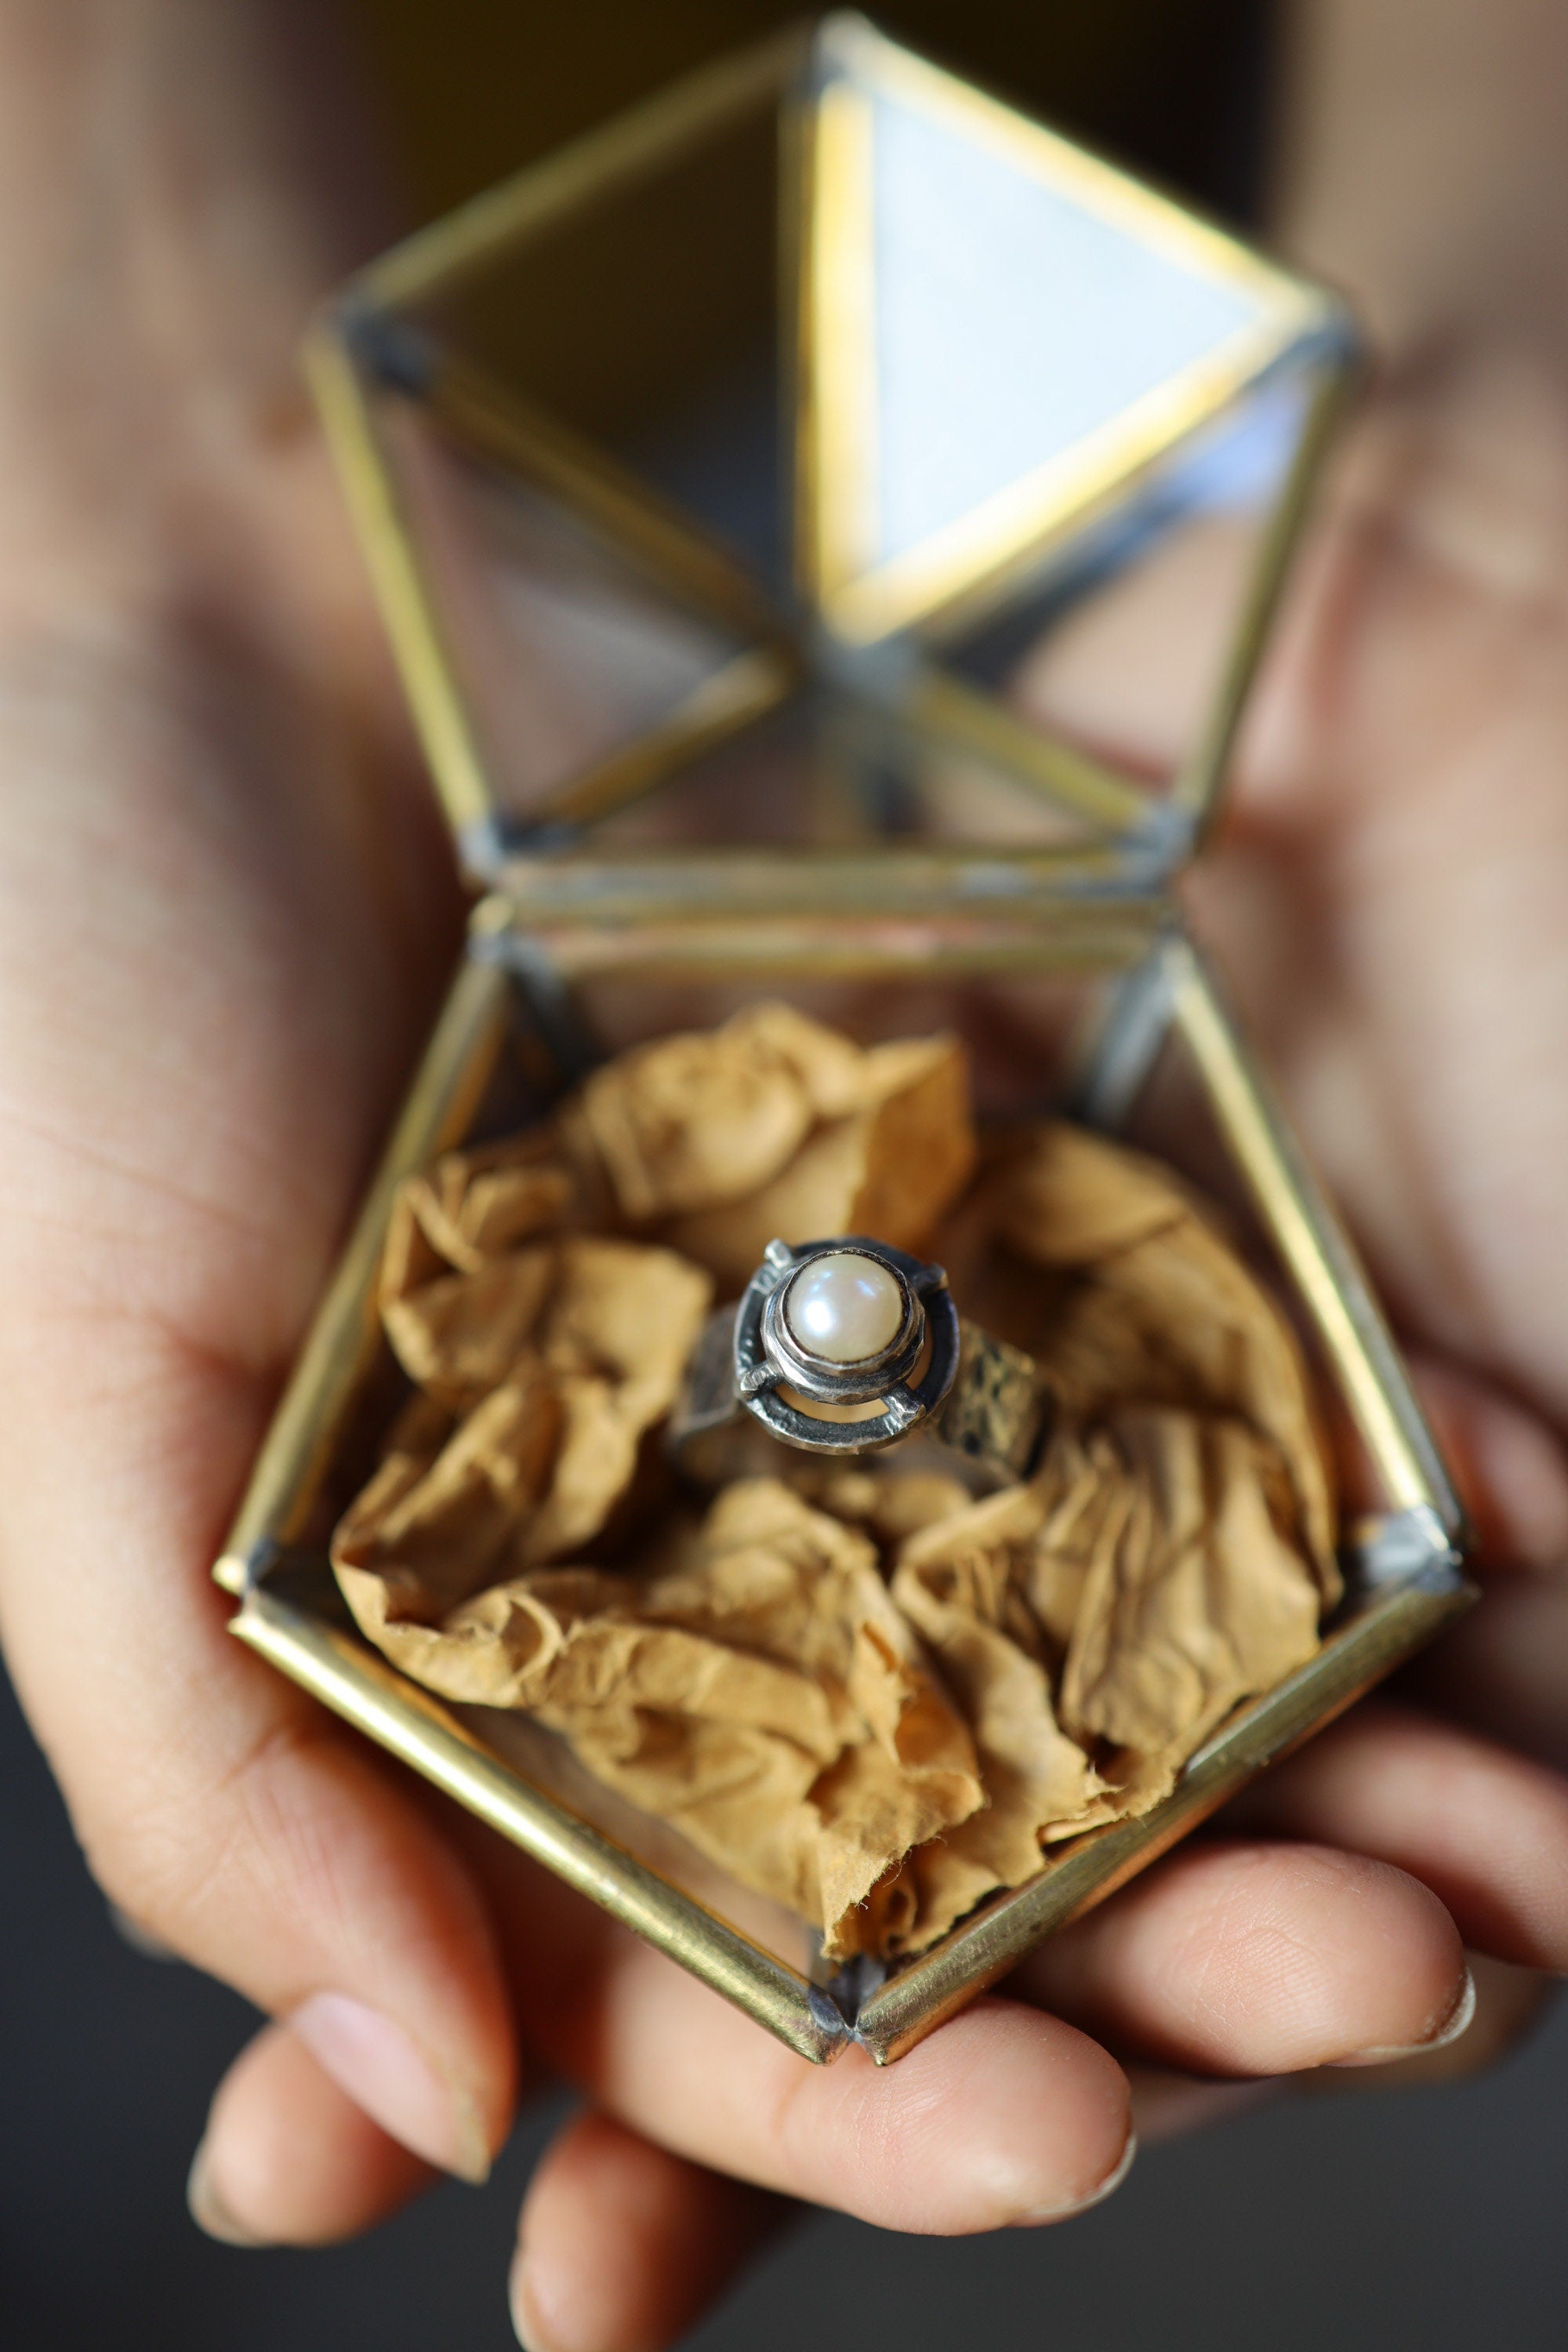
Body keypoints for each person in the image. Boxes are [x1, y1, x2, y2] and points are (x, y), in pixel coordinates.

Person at [1, 5, 1566, 2349]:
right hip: (479, 427)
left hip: (1111, 322)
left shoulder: (997, 1351)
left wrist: (1508, 397)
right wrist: (94, 422)